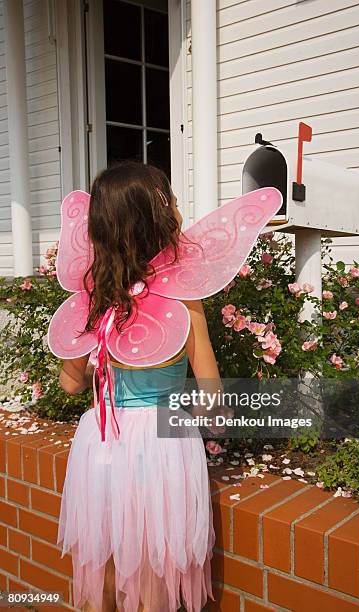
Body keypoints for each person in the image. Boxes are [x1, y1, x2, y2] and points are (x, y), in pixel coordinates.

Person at [57, 162, 223, 612]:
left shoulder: (91, 298)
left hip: (101, 441)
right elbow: (211, 397)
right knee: (154, 563)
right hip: (162, 441)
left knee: (104, 558)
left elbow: (70, 384)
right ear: (157, 219)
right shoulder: (184, 296)